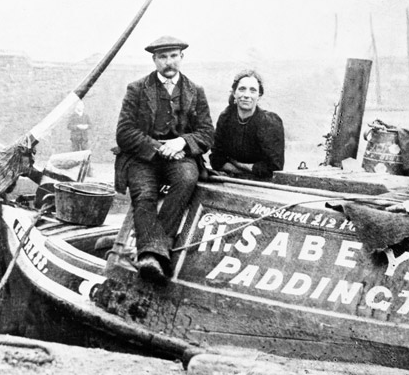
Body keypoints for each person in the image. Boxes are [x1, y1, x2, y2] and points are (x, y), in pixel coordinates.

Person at [114, 35, 214, 283]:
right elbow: (124, 132)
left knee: (187, 178)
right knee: (144, 193)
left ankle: (153, 251)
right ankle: (154, 256)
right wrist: (159, 147)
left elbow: (206, 133)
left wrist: (182, 142)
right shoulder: (137, 89)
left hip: (180, 156)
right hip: (143, 157)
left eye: (173, 56)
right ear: (154, 60)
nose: (168, 62)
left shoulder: (195, 91)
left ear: (182, 57)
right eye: (162, 57)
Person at [210, 69, 285, 179]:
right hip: (233, 180)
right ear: (234, 93)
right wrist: (246, 170)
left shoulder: (270, 122)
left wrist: (238, 164)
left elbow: (274, 168)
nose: (246, 95)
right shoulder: (226, 119)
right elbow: (216, 160)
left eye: (252, 90)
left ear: (259, 96)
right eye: (242, 89)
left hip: (262, 184)